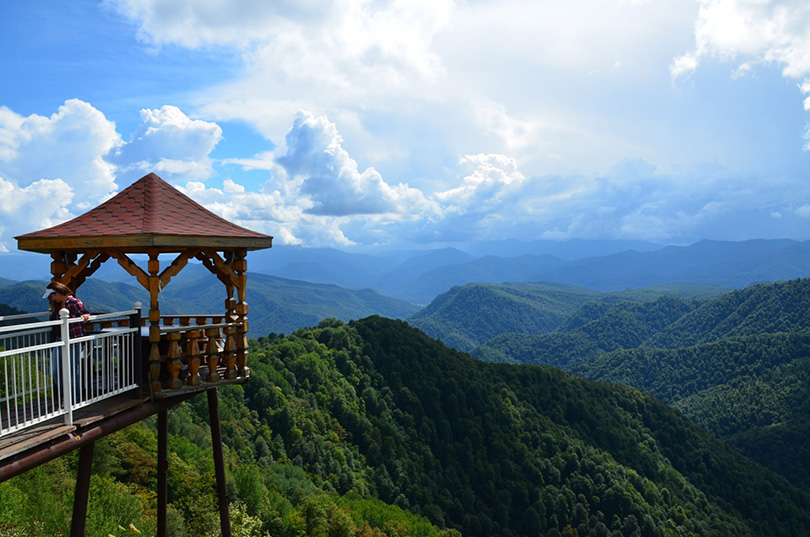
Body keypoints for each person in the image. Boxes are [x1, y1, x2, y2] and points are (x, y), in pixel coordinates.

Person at [44, 282, 91, 401]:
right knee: (54, 372)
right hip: (60, 340)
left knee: (71, 371)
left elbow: (85, 312)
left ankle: (73, 400)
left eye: (52, 296)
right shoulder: (57, 305)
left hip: (73, 341)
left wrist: (85, 316)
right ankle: (64, 395)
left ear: (58, 293)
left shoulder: (74, 302)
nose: (51, 298)